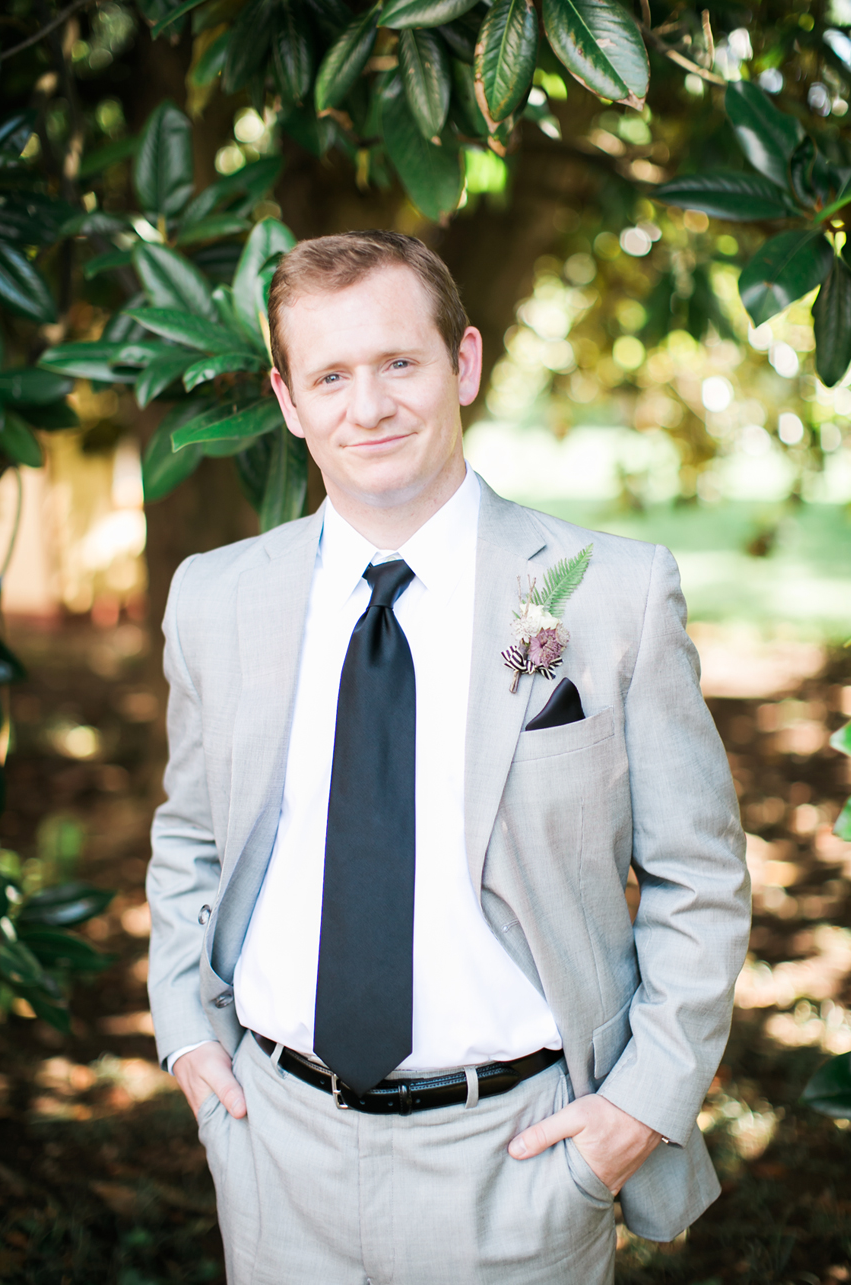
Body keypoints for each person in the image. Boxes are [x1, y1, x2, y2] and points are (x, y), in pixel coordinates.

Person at [146, 231, 750, 1284]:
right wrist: (191, 1044)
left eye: (398, 364)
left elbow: (699, 877)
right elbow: (192, 834)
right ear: (288, 401)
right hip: (275, 1153)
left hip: (520, 1161)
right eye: (330, 376)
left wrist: (635, 1110)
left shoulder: (608, 594)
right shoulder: (215, 597)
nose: (366, 407)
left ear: (462, 363)